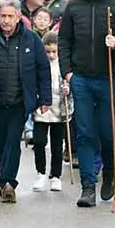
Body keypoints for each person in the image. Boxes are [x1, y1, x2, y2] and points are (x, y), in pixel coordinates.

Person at [57, 0, 115, 208]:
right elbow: (64, 41)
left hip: (110, 77)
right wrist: (67, 73)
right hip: (81, 79)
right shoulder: (73, 7)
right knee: (85, 134)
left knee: (108, 132)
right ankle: (88, 186)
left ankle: (110, 171)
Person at [0, 0, 51, 203]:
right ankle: (3, 167)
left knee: (12, 141)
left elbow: (42, 69)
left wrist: (44, 98)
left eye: (10, 16)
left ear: (19, 17)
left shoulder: (31, 39)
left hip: (19, 101)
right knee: (0, 140)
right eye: (2, 16)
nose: (6, 20)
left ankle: (8, 183)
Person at [31, 32, 71, 193]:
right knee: (39, 142)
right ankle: (40, 173)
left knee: (57, 145)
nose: (51, 55)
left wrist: (68, 89)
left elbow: (70, 82)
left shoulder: (64, 65)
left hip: (59, 108)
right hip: (41, 108)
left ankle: (56, 176)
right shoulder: (38, 64)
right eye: (48, 52)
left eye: (54, 52)